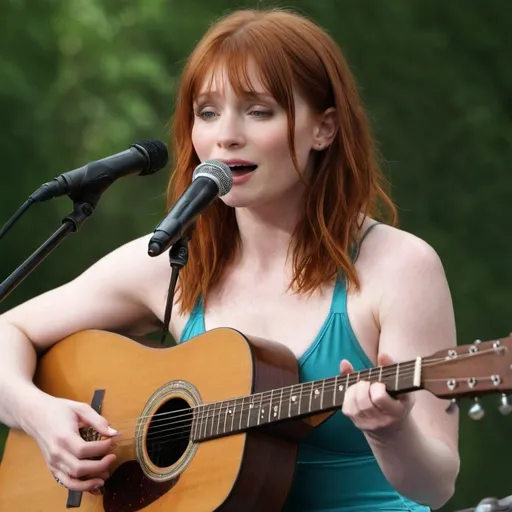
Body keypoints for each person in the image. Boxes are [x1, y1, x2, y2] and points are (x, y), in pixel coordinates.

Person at [0, 7, 460, 511]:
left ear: (324, 129)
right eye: (207, 111)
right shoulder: (173, 259)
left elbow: (436, 487)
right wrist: (40, 417)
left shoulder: (399, 266)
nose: (226, 135)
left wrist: (391, 432)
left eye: (258, 111)